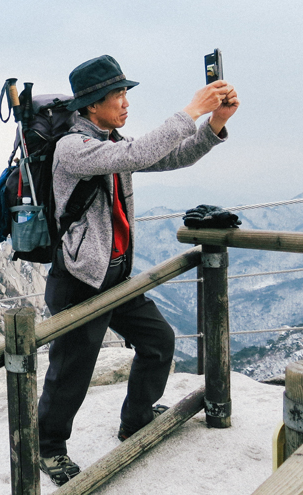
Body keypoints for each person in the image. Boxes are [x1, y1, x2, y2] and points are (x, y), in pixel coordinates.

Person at [37, 55, 239, 486]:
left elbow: (171, 157)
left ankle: (136, 418)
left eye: (126, 92)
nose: (126, 102)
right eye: (118, 95)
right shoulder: (73, 148)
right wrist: (193, 109)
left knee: (158, 340)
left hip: (114, 276)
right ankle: (49, 449)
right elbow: (140, 151)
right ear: (92, 105)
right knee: (71, 372)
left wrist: (215, 124)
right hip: (79, 282)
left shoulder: (110, 142)